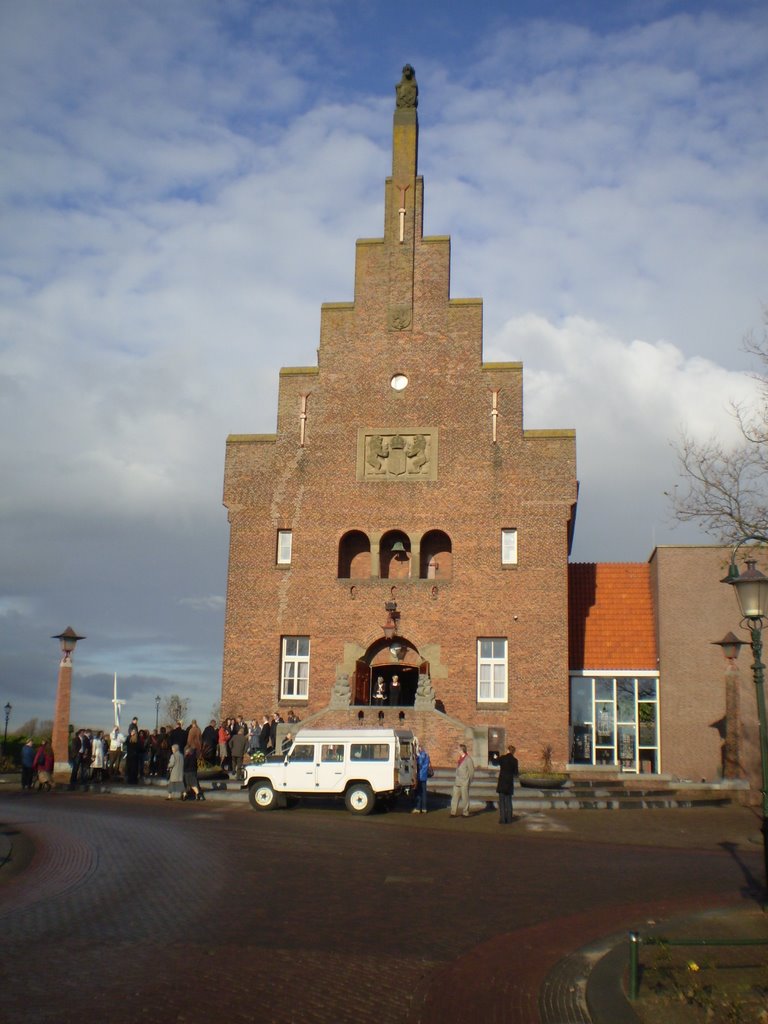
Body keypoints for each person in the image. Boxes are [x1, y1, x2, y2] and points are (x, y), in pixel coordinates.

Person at [450, 743, 475, 818]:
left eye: (458, 749)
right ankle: (453, 812)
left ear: (462, 750)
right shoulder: (460, 758)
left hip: (464, 781)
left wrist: (468, 781)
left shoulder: (468, 759)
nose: (457, 750)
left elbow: (471, 772)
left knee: (465, 798)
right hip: (457, 781)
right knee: (454, 797)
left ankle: (465, 812)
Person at [496, 744, 519, 824]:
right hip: (509, 782)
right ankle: (509, 819)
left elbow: (495, 762)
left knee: (502, 802)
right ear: (513, 752)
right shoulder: (515, 760)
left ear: (508, 750)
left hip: (502, 782)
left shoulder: (503, 758)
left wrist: (495, 757)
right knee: (509, 801)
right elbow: (516, 773)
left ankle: (503, 819)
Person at [413, 744, 431, 814]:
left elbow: (419, 764)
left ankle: (418, 808)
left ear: (420, 748)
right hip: (424, 776)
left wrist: (417, 757)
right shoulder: (427, 755)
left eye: (418, 748)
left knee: (418, 792)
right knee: (424, 793)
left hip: (420, 776)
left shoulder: (422, 755)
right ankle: (424, 808)